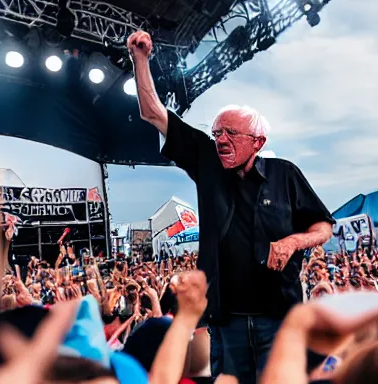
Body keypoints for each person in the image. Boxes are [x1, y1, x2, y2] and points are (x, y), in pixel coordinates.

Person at [127, 30, 335, 383]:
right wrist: (140, 60)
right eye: (217, 132)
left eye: (230, 134)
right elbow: (152, 113)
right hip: (227, 322)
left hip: (279, 319)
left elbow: (323, 227)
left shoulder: (285, 174)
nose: (220, 140)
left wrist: (292, 242)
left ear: (258, 142)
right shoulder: (206, 160)